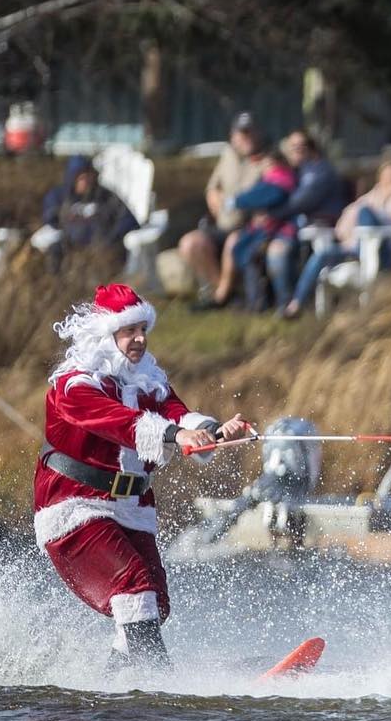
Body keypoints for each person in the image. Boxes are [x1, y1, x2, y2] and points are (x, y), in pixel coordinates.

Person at [33, 284, 251, 674]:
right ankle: (161, 684)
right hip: (75, 508)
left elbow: (177, 414)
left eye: (143, 330)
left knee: (155, 603)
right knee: (134, 588)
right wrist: (176, 435)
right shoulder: (73, 386)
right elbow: (121, 422)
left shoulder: (147, 380)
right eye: (129, 331)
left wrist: (214, 432)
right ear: (106, 335)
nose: (139, 339)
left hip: (131, 508)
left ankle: (114, 684)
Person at [281, 160, 391, 319]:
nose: (390, 180)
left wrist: (390, 201)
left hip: (384, 252)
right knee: (322, 254)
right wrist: (382, 199)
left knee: (366, 212)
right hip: (355, 248)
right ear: (380, 179)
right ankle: (296, 304)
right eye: (386, 176)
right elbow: (346, 217)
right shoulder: (374, 195)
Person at [261, 130, 349, 316]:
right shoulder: (297, 171)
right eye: (292, 148)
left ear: (312, 149)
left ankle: (288, 305)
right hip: (297, 227)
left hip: (321, 228)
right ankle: (269, 303)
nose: (295, 152)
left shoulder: (319, 171)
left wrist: (270, 213)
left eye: (300, 147)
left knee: (277, 251)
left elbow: (300, 202)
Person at [181, 112, 264, 307]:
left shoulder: (267, 160)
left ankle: (220, 297)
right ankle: (223, 291)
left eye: (251, 132)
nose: (248, 138)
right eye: (243, 133)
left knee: (233, 243)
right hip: (222, 225)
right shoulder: (228, 156)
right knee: (190, 243)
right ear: (233, 136)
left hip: (248, 227)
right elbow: (212, 187)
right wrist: (215, 200)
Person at [222, 150, 298, 312]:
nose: (265, 167)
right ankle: (254, 300)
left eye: (268, 164)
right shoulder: (276, 179)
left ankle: (258, 302)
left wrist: (236, 201)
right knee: (246, 251)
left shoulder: (279, 180)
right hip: (268, 230)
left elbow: (260, 197)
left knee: (250, 255)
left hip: (278, 231)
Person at [38, 155, 139, 269]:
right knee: (54, 253)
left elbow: (128, 220)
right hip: (71, 249)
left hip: (103, 248)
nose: (86, 182)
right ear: (72, 179)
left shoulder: (106, 197)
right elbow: (51, 217)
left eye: (88, 177)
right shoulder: (61, 197)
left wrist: (112, 237)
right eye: (81, 178)